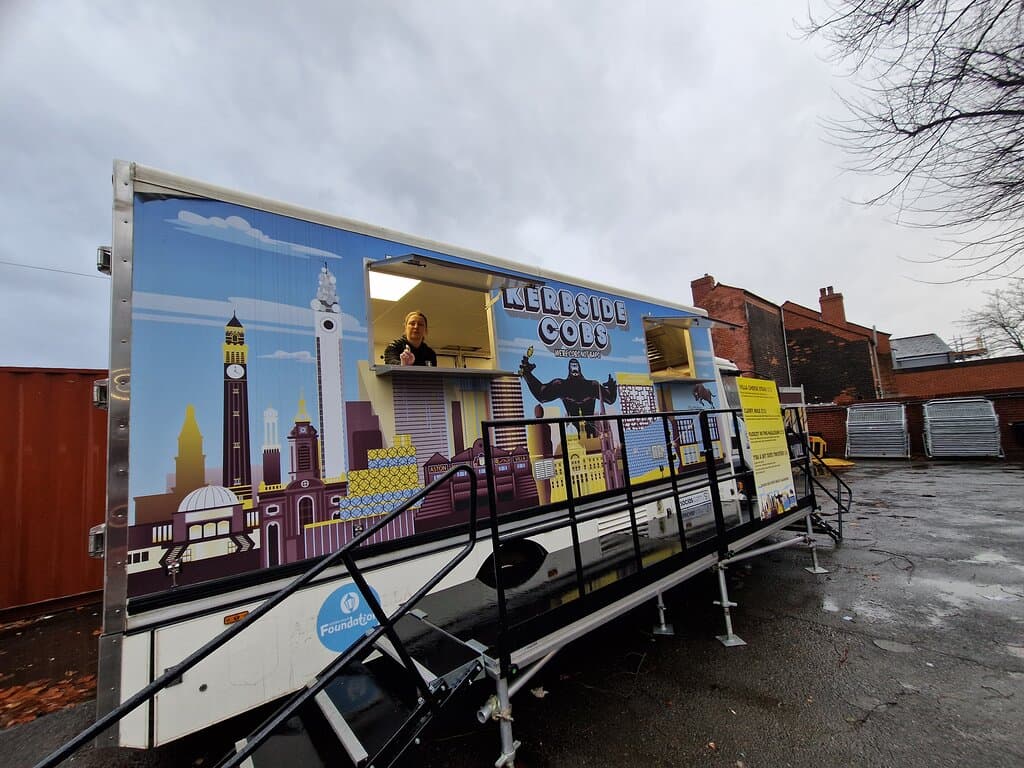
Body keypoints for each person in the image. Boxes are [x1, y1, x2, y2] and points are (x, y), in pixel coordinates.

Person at [519, 353, 617, 437]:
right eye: (573, 366)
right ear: (569, 369)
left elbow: (610, 399)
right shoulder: (562, 385)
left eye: (576, 366)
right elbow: (542, 395)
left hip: (591, 436)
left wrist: (612, 387)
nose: (574, 368)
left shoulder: (592, 386)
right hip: (573, 435)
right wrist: (527, 374)